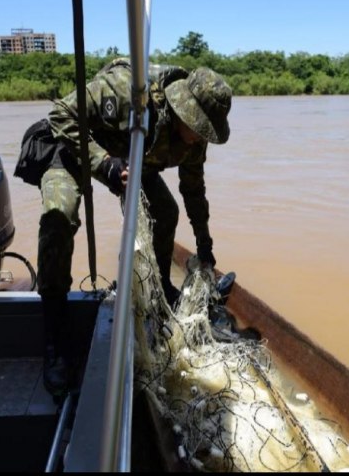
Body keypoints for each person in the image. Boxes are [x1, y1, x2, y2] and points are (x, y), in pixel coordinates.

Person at [15, 58, 232, 395]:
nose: (198, 138)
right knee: (59, 220)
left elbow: (194, 191)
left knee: (166, 211)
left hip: (132, 160)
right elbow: (61, 114)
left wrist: (205, 245)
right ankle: (55, 338)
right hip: (74, 149)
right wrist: (104, 165)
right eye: (197, 127)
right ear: (181, 109)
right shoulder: (126, 92)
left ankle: (159, 291)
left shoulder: (194, 140)